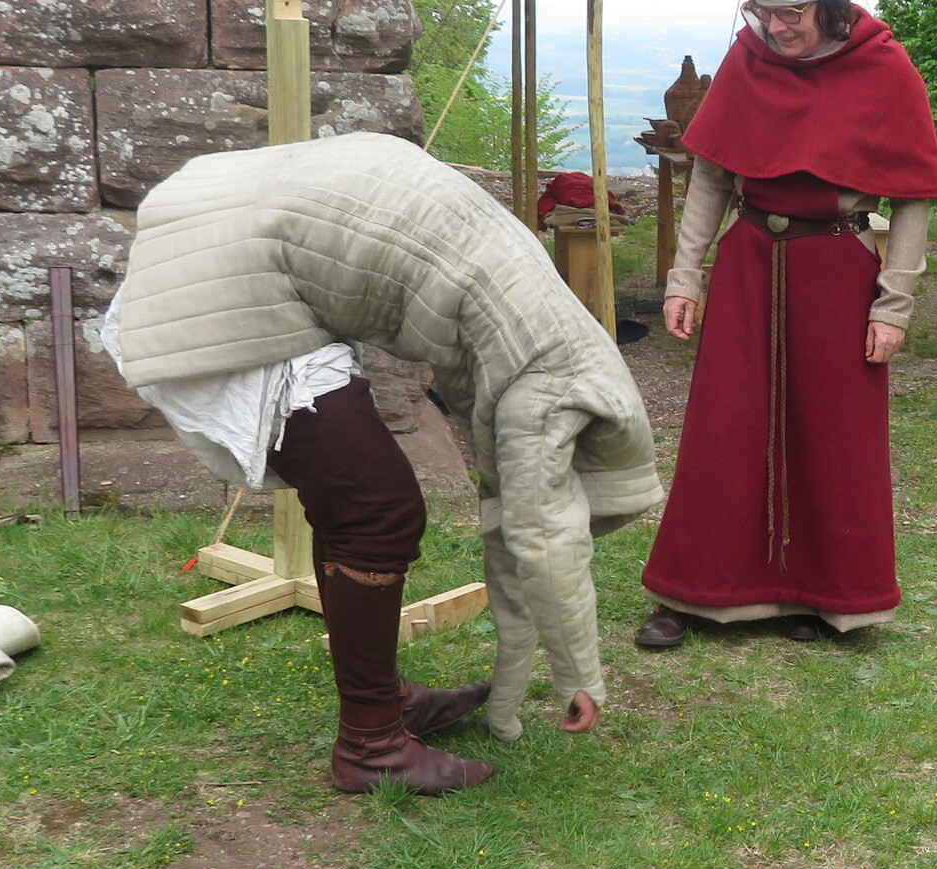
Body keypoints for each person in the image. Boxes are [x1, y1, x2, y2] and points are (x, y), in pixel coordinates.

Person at [109, 132, 660, 795]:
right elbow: (540, 534)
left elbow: (520, 514)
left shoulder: (549, 321)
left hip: (217, 220)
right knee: (376, 513)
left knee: (356, 508)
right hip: (225, 280)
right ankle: (370, 743)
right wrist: (580, 676)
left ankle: (386, 701)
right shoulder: (553, 375)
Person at [634, 0, 937, 649]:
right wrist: (686, 277)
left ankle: (821, 594)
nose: (776, 28)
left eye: (792, 14)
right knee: (724, 425)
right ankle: (690, 592)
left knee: (832, 434)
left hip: (837, 267)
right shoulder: (748, 60)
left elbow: (912, 198)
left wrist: (892, 305)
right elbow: (712, 175)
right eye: (765, 12)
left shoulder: (884, 68)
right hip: (748, 261)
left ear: (829, 8)